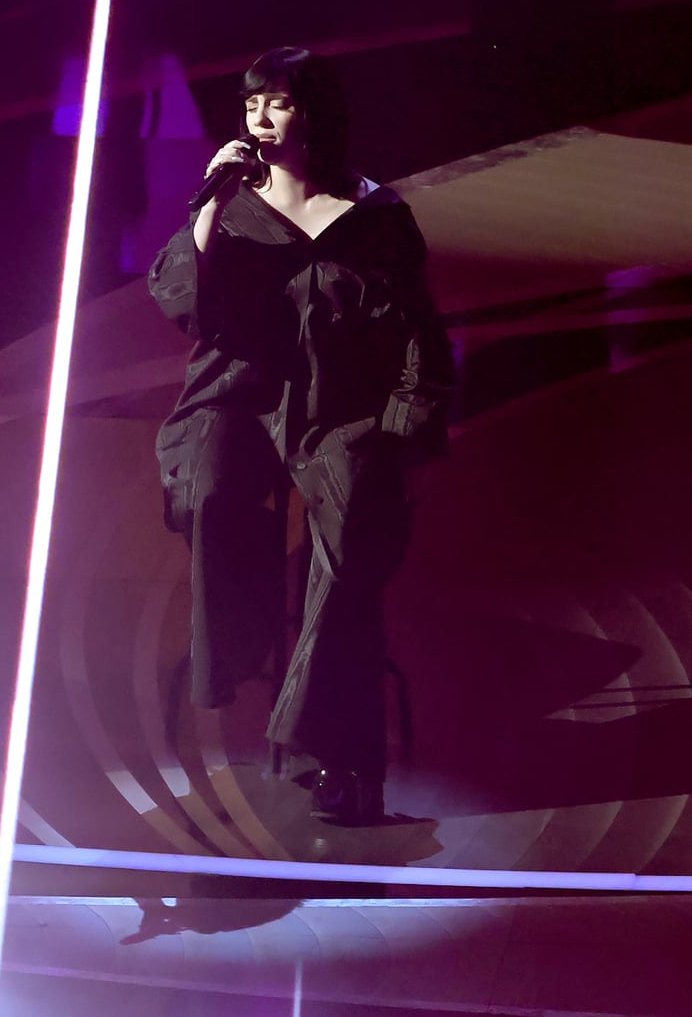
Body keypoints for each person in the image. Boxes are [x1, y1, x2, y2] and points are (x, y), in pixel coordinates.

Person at [147, 47, 454, 825]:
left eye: (277, 101)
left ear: (313, 112)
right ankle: (244, 660)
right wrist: (210, 208)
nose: (259, 115)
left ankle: (334, 756)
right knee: (213, 486)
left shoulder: (374, 216)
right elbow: (185, 303)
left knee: (351, 536)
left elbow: (421, 334)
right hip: (239, 398)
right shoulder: (231, 207)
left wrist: (409, 433)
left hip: (340, 409)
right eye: (251, 102)